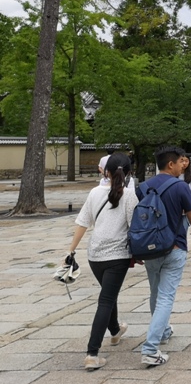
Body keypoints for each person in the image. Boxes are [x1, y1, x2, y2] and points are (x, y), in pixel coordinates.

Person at [67, 153, 138, 370]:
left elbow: (83, 222)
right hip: (117, 255)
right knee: (106, 300)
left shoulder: (94, 192)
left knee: (108, 294)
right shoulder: (129, 196)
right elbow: (133, 228)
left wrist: (71, 250)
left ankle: (115, 331)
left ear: (105, 171)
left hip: (94, 255)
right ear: (127, 172)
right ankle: (92, 353)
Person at [136, 146, 191, 367]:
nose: (181, 167)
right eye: (179, 162)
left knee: (155, 293)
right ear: (171, 164)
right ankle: (150, 348)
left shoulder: (143, 187)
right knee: (166, 296)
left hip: (150, 248)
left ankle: (163, 331)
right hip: (174, 246)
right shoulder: (180, 187)